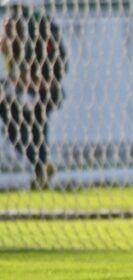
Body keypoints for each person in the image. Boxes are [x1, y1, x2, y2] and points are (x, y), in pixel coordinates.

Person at [0, 0, 67, 189]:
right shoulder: (22, 27)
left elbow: (47, 72)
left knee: (29, 130)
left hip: (42, 90)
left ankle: (41, 170)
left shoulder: (34, 30)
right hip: (30, 91)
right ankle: (42, 171)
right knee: (28, 131)